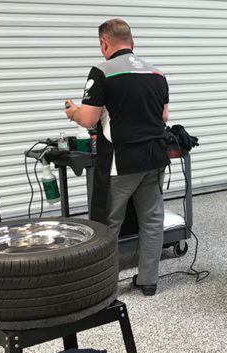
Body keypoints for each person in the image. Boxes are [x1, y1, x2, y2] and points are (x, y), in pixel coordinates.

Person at [65, 19, 169, 297]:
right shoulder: (157, 73)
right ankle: (148, 281)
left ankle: (104, 286)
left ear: (104, 43)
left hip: (119, 163)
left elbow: (89, 119)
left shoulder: (101, 71)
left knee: (107, 224)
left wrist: (72, 111)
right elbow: (164, 117)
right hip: (154, 159)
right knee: (152, 220)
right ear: (132, 44)